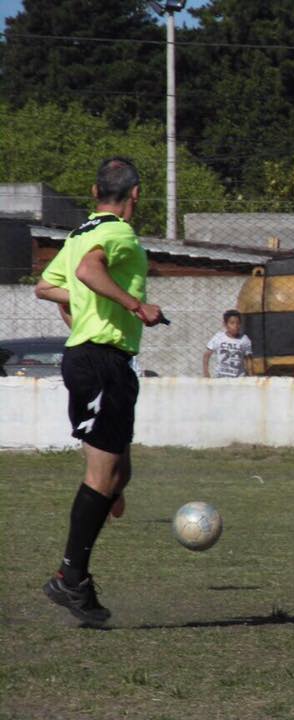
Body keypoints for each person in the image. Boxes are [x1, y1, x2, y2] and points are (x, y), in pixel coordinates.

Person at [33, 157, 165, 625]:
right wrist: (135, 304)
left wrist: (85, 304)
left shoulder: (78, 234)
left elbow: (47, 287)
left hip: (101, 361)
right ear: (134, 196)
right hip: (100, 360)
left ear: (94, 191)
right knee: (101, 474)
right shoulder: (118, 235)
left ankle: (75, 572)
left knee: (116, 473)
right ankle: (71, 580)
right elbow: (89, 272)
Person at [203, 309, 253, 378]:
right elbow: (206, 355)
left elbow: (248, 359)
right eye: (232, 323)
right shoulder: (218, 337)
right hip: (220, 378)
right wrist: (206, 372)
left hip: (238, 379)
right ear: (225, 324)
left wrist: (250, 376)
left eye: (238, 323)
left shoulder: (244, 339)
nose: (235, 326)